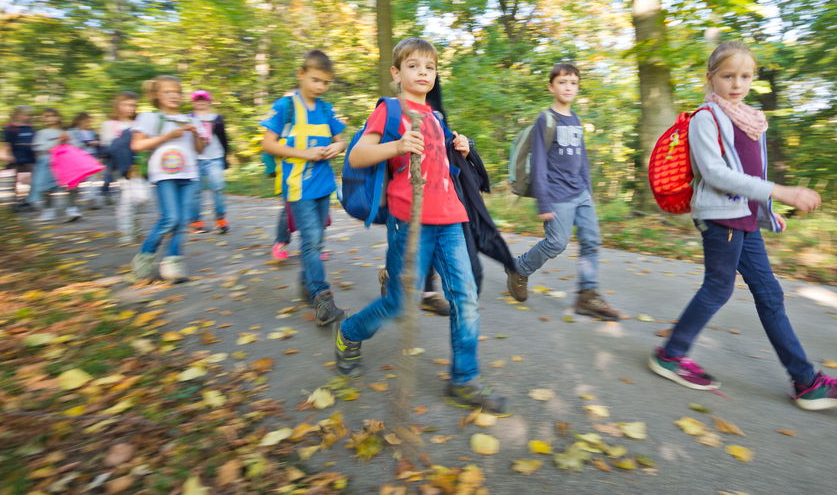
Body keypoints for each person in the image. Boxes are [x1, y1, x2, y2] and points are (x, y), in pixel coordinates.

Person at [648, 41, 837, 411]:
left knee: (769, 295)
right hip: (720, 218)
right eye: (727, 76)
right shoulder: (707, 118)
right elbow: (717, 175)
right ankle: (671, 355)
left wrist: (766, 210)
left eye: (745, 76)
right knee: (718, 289)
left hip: (743, 218)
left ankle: (806, 382)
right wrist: (782, 191)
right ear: (711, 78)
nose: (737, 84)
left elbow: (751, 174)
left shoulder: (749, 118)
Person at [334, 38, 507, 414]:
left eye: (429, 67)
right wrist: (396, 147)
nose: (423, 73)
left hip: (450, 217)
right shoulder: (390, 110)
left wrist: (459, 146)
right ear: (397, 73)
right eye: (413, 66)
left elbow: (439, 164)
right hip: (408, 221)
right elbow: (361, 155)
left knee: (466, 297)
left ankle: (464, 379)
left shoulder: (436, 117)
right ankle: (349, 333)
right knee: (400, 304)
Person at [505, 63, 619, 321]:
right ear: (551, 86)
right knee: (556, 242)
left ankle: (587, 295)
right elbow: (539, 163)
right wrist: (543, 202)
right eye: (562, 82)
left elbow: (582, 159)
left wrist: (588, 190)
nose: (568, 87)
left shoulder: (576, 118)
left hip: (580, 193)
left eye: (573, 83)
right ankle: (518, 268)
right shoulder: (545, 119)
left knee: (591, 240)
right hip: (556, 195)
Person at [260, 50, 347, 325]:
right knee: (310, 242)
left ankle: (305, 285)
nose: (320, 87)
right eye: (315, 80)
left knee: (316, 242)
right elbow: (268, 144)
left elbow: (342, 139)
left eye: (325, 82)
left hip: (323, 186)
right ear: (301, 74)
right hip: (298, 187)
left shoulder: (326, 107)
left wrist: (337, 147)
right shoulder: (285, 106)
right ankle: (322, 298)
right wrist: (304, 153)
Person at [130, 76, 207, 283]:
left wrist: (198, 137)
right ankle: (144, 258)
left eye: (177, 92)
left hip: (189, 175)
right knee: (170, 218)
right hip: (163, 175)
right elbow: (137, 146)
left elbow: (199, 150)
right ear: (156, 95)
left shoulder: (192, 119)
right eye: (167, 92)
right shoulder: (149, 118)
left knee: (181, 221)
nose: (173, 96)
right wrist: (167, 136)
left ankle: (173, 263)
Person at [188, 90, 231, 234]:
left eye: (204, 100)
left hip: (215, 158)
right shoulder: (188, 119)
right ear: (193, 103)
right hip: (195, 159)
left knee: (218, 188)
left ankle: (220, 219)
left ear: (209, 102)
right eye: (198, 100)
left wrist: (225, 158)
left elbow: (224, 139)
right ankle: (195, 221)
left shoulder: (216, 118)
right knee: (195, 191)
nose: (201, 103)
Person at [101, 91, 140, 244]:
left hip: (137, 165)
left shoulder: (138, 123)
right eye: (126, 104)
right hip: (120, 166)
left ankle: (134, 227)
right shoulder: (109, 124)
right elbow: (107, 147)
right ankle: (126, 232)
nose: (131, 108)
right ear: (118, 105)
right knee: (127, 198)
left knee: (140, 198)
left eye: (133, 105)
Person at [28, 108, 80, 222]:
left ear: (58, 117)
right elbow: (40, 148)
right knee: (46, 188)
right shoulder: (41, 133)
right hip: (47, 163)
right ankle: (48, 210)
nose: (49, 118)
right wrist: (57, 141)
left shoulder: (68, 132)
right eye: (46, 116)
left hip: (66, 162)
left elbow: (77, 146)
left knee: (72, 185)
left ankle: (72, 209)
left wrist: (68, 140)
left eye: (52, 115)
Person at [1, 106, 36, 211]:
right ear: (17, 115)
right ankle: (15, 202)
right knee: (16, 179)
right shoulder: (11, 128)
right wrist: (9, 155)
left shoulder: (30, 128)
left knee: (30, 179)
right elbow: (7, 143)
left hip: (29, 156)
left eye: (28, 115)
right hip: (16, 155)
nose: (27, 117)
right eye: (24, 114)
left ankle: (27, 201)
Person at [67, 111, 103, 209]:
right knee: (76, 180)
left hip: (92, 157)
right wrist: (89, 143)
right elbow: (75, 145)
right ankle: (74, 203)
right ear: (79, 121)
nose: (88, 123)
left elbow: (98, 144)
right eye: (86, 121)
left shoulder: (91, 132)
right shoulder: (72, 131)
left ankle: (92, 200)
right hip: (78, 158)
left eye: (89, 121)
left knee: (94, 178)